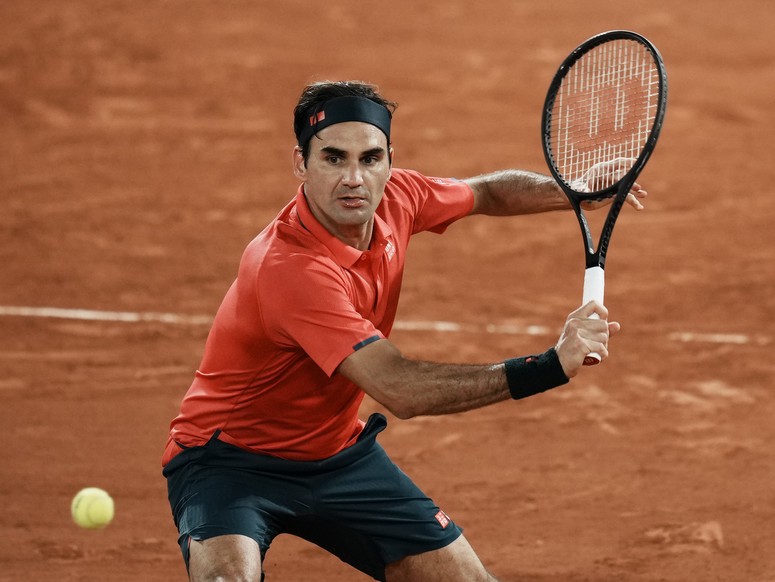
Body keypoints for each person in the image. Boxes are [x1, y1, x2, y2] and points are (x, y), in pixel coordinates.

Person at [161, 80, 648, 582]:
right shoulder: (288, 268)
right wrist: (549, 366)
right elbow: (402, 388)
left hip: (337, 457)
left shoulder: (398, 196)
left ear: (389, 160)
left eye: (370, 159)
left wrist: (574, 191)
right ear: (300, 164)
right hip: (228, 462)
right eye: (333, 158)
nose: (354, 179)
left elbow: (484, 192)